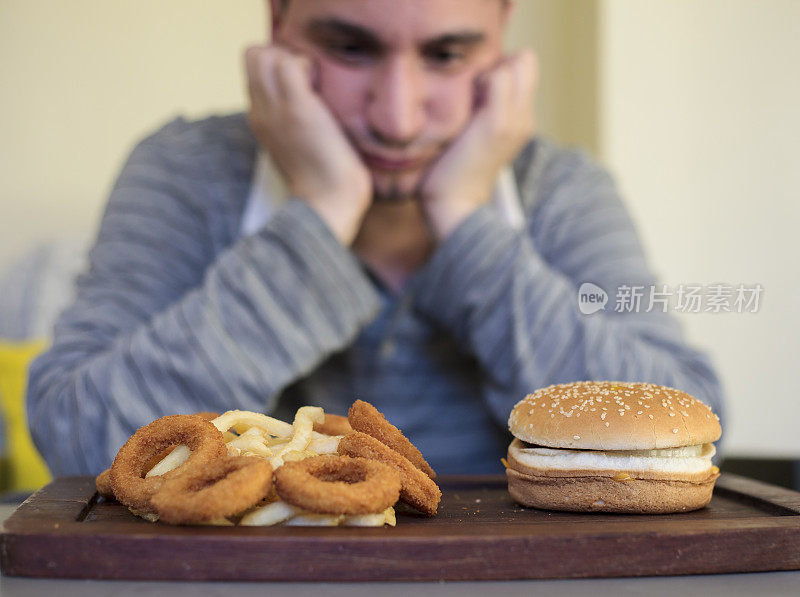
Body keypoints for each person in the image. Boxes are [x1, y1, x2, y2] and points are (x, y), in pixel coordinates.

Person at [27, 0, 725, 476]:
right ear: (277, 22)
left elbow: (685, 432)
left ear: (503, 34)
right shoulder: (186, 170)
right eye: (350, 48)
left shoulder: (559, 189)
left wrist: (464, 222)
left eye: (447, 54)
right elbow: (76, 440)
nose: (396, 118)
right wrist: (323, 213)